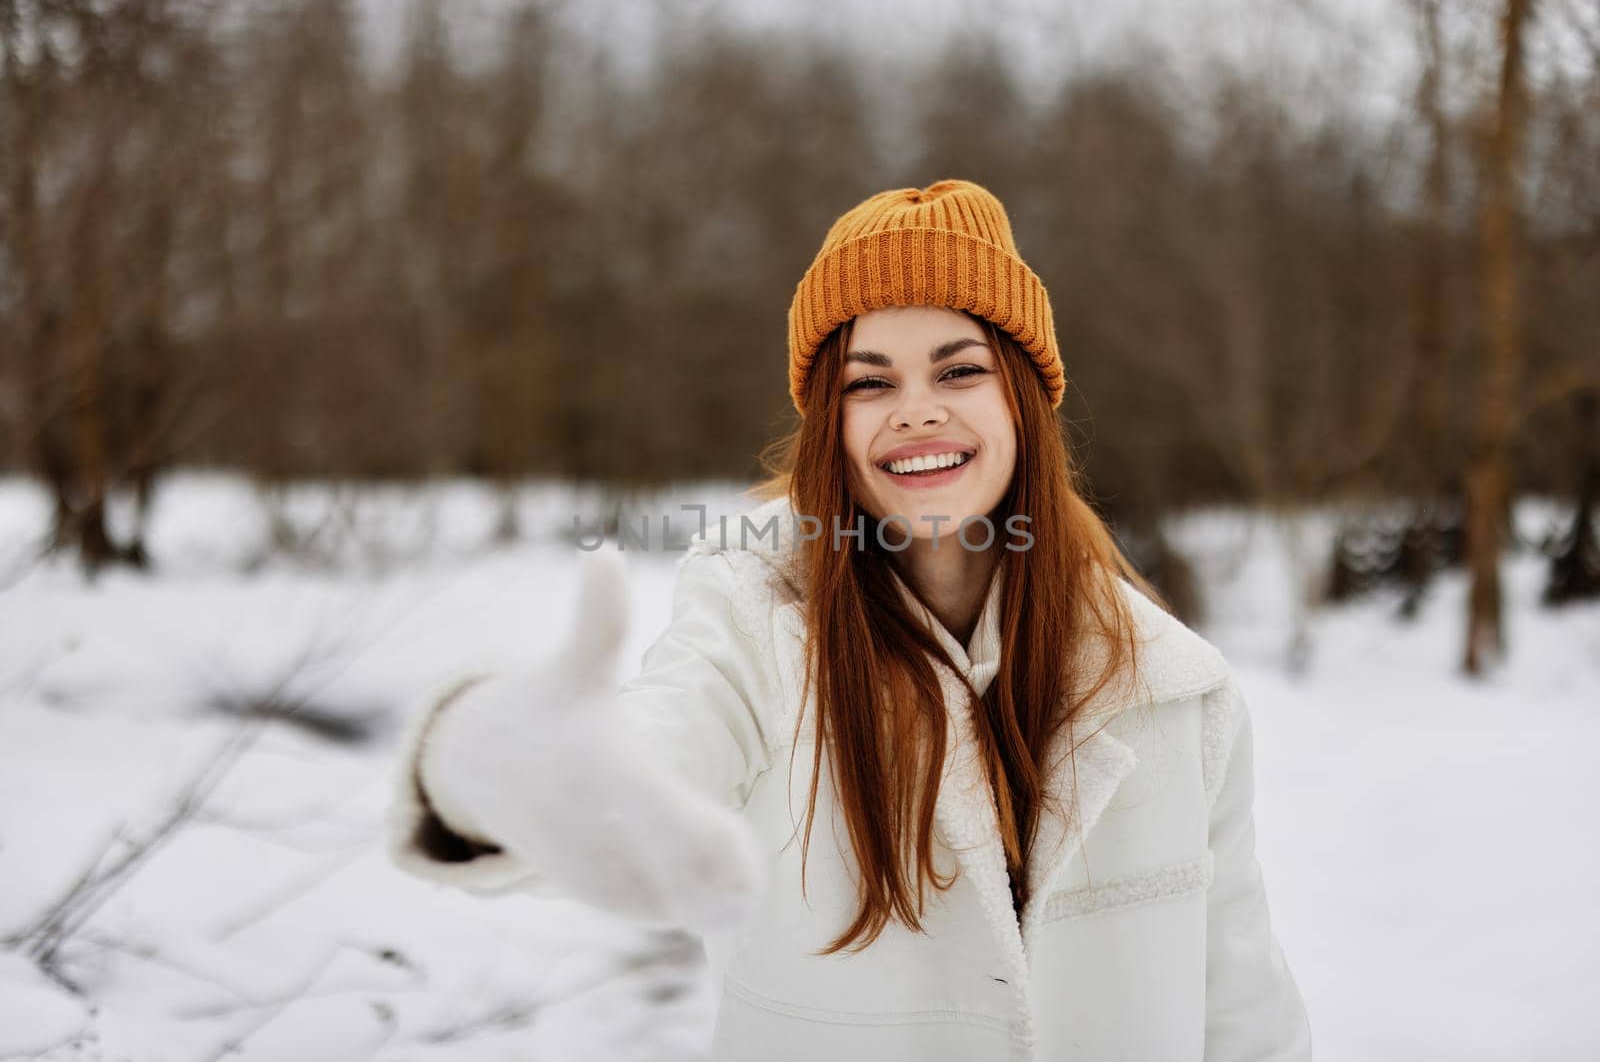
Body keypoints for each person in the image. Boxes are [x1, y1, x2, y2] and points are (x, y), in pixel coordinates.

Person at [385, 179, 1313, 1060]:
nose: (916, 411)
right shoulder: (755, 623)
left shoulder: (1175, 694)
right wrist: (498, 768)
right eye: (871, 383)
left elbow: (1243, 1015)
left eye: (959, 369)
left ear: (1023, 399)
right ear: (831, 420)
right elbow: (662, 740)